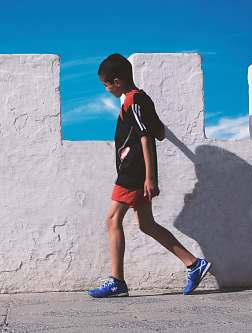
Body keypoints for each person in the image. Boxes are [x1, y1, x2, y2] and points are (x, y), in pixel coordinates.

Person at [87, 53, 212, 298]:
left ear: (118, 81)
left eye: (107, 85)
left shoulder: (132, 100)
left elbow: (146, 137)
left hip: (132, 173)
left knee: (113, 220)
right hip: (135, 172)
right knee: (146, 224)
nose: (106, 90)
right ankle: (194, 264)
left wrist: (150, 177)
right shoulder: (141, 99)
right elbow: (160, 133)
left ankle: (117, 282)